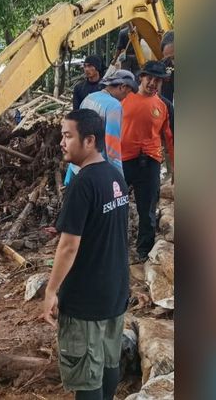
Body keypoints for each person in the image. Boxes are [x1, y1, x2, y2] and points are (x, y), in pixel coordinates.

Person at [40, 109, 130, 400]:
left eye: (68, 136)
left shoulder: (82, 184)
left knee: (87, 373)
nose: (62, 143)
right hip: (114, 292)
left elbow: (68, 245)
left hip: (86, 299)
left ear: (89, 140)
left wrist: (51, 291)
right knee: (108, 362)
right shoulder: (115, 177)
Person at [121, 61, 175, 262]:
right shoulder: (125, 99)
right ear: (141, 78)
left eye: (157, 80)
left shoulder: (164, 106)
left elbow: (170, 138)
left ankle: (144, 251)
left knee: (148, 210)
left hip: (150, 162)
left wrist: (175, 167)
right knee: (117, 206)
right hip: (124, 160)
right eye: (149, 78)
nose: (153, 83)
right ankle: (117, 245)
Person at [63, 69, 138, 185]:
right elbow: (112, 146)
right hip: (95, 171)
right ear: (122, 87)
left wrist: (70, 170)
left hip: (78, 166)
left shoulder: (89, 98)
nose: (125, 97)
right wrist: (119, 177)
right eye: (127, 93)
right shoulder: (114, 106)